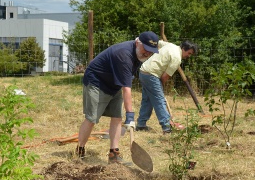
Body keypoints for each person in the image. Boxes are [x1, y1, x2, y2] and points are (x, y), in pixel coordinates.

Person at [76, 31, 160, 163]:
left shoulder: (139, 55)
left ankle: (113, 154)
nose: (148, 53)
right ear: (138, 42)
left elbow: (125, 82)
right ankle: (79, 151)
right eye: (146, 49)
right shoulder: (123, 54)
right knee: (92, 118)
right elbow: (127, 89)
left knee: (117, 118)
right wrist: (131, 116)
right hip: (97, 81)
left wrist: (128, 116)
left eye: (151, 51)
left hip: (114, 83)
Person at [136, 40, 198, 133]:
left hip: (143, 71)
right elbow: (165, 77)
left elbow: (158, 42)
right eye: (189, 53)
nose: (188, 56)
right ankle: (167, 127)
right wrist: (159, 88)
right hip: (152, 75)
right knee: (160, 100)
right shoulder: (177, 58)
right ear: (184, 49)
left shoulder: (171, 45)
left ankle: (141, 125)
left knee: (148, 100)